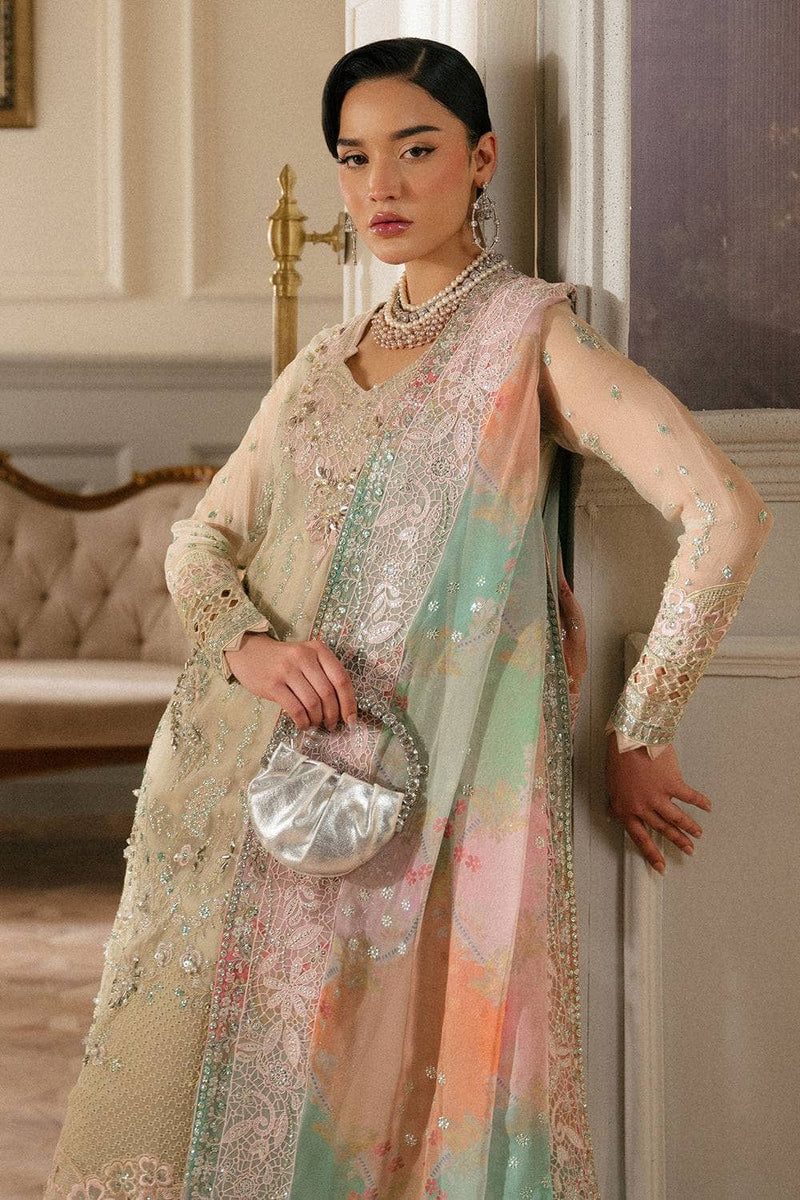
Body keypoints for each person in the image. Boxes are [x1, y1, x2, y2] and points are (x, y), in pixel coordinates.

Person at [44, 36, 773, 1200]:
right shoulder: (323, 365)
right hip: (253, 792)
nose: (379, 185)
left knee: (378, 1118)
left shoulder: (527, 338)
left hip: (427, 816)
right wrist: (251, 649)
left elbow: (723, 513)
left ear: (482, 159)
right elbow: (198, 541)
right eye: (352, 157)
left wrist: (641, 729)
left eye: (415, 150)